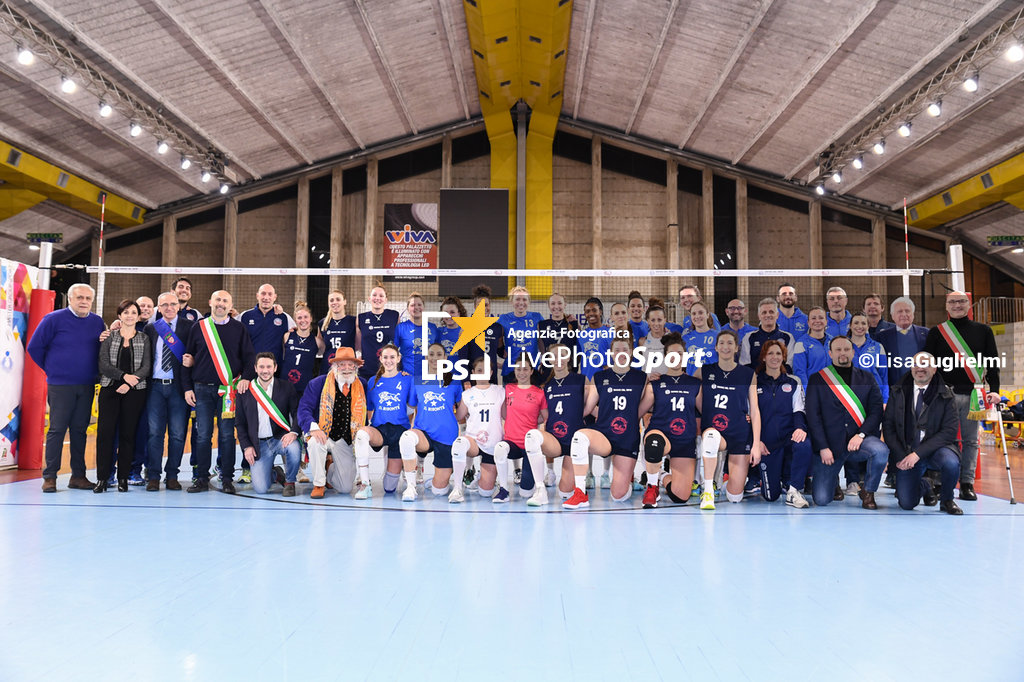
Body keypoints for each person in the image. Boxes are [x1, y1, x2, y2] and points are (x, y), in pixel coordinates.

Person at [27, 282, 106, 493]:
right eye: (80, 297)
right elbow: (34, 347)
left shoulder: (97, 322)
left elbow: (101, 350)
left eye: (88, 298)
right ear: (70, 299)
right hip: (61, 385)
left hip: (87, 384)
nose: (84, 302)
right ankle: (50, 477)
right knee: (57, 430)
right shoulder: (53, 319)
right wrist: (53, 369)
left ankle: (78, 476)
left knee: (80, 431)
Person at [923, 291, 1000, 502]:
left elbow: (992, 363)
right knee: (941, 439)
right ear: (946, 306)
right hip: (944, 395)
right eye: (952, 302)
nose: (957, 305)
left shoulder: (983, 331)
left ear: (969, 305)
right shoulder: (937, 332)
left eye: (961, 301)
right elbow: (928, 365)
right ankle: (939, 482)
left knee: (970, 441)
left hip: (975, 394)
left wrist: (995, 390)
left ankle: (967, 483)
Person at [182, 290, 256, 494]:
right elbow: (187, 359)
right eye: (218, 300)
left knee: (226, 436)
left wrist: (247, 379)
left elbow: (250, 358)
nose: (221, 304)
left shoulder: (239, 328)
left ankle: (226, 479)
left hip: (229, 391)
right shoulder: (199, 327)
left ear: (230, 305)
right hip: (202, 389)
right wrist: (187, 387)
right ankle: (202, 479)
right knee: (203, 435)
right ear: (210, 302)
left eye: (225, 301)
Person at [563, 336, 648, 509]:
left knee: (618, 496)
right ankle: (580, 493)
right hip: (604, 434)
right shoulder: (600, 377)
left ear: (631, 352)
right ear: (610, 353)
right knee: (580, 437)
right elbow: (588, 409)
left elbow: (642, 408)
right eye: (617, 350)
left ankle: (626, 479)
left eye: (625, 349)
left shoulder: (641, 377)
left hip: (628, 437)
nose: (621, 353)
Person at [805, 336, 889, 509]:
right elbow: (813, 416)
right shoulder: (817, 379)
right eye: (838, 350)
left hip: (859, 442)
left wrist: (861, 434)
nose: (842, 353)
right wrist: (822, 447)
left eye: (846, 349)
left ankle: (868, 491)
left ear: (852, 352)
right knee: (821, 499)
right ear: (830, 353)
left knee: (880, 451)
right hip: (829, 447)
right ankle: (833, 480)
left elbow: (876, 411)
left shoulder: (867, 378)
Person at [883, 352, 963, 515]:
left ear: (934, 369)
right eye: (916, 364)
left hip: (936, 450)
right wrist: (900, 455)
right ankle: (926, 485)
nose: (920, 368)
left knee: (951, 463)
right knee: (906, 503)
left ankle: (947, 499)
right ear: (911, 368)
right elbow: (888, 426)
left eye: (925, 364)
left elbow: (949, 431)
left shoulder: (946, 394)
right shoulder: (897, 391)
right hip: (906, 452)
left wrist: (918, 454)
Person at [692, 330, 762, 511]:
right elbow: (687, 388)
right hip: (715, 431)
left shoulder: (748, 374)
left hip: (739, 432)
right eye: (721, 343)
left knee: (735, 497)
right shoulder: (704, 371)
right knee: (710, 437)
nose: (725, 347)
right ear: (715, 347)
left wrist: (755, 444)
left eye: (730, 343)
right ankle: (707, 490)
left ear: (737, 347)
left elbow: (754, 410)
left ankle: (722, 482)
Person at [637, 332, 702, 508]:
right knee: (654, 442)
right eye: (672, 354)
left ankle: (661, 474)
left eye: (680, 354)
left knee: (680, 497)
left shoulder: (695, 384)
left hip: (684, 440)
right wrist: (645, 383)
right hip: (661, 433)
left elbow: (707, 412)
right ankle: (651, 488)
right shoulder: (656, 382)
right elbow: (638, 411)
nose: (676, 357)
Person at [93, 299, 152, 493]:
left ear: (138, 316)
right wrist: (122, 377)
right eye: (125, 312)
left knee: (128, 435)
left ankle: (123, 478)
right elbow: (103, 365)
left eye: (133, 312)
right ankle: (102, 478)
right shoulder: (109, 337)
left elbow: (146, 366)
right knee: (105, 435)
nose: (129, 315)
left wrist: (129, 383)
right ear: (119, 315)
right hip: (110, 390)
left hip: (134, 392)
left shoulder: (143, 338)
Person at [297, 347, 368, 499]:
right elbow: (304, 409)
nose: (347, 368)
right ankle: (319, 484)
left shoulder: (362, 385)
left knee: (345, 488)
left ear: (356, 367)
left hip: (346, 439)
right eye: (342, 364)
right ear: (335, 366)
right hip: (323, 432)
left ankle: (329, 469)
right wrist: (314, 428)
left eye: (351, 365)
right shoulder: (318, 383)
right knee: (315, 443)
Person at [143, 291, 195, 491]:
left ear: (179, 306)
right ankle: (154, 475)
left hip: (178, 388)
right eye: (164, 305)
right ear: (158, 307)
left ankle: (172, 475)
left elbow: (196, 352)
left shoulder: (189, 327)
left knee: (177, 434)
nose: (169, 308)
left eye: (173, 304)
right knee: (155, 433)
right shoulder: (151, 328)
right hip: (155, 387)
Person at [398, 342, 463, 502]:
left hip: (446, 436)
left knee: (439, 491)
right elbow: (412, 404)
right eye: (431, 355)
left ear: (445, 358)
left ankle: (435, 481)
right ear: (426, 358)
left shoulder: (454, 380)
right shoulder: (417, 380)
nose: (435, 358)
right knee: (406, 437)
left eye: (439, 355)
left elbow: (461, 408)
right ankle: (411, 487)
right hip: (424, 433)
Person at [234, 353, 301, 496]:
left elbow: (297, 413)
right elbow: (239, 423)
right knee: (261, 489)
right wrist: (247, 446)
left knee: (294, 449)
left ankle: (289, 482)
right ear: (255, 368)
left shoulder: (286, 387)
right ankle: (276, 474)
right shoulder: (245, 391)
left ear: (275, 368)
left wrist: (294, 432)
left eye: (269, 367)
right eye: (262, 367)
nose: (265, 370)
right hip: (259, 444)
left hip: (280, 439)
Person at [754, 341, 810, 508]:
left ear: (784, 357)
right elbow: (749, 414)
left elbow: (799, 410)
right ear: (764, 357)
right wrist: (757, 442)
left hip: (787, 439)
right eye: (770, 353)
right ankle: (771, 478)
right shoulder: (754, 382)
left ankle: (793, 489)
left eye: (778, 354)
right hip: (766, 444)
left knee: (804, 444)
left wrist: (800, 428)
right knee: (771, 496)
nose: (774, 357)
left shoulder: (793, 382)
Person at [355, 344, 414, 499]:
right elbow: (369, 407)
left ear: (398, 359)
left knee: (389, 488)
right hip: (379, 430)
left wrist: (413, 427)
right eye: (385, 357)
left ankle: (407, 471)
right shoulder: (373, 381)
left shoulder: (407, 379)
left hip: (400, 431)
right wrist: (367, 422)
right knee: (361, 434)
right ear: (380, 359)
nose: (389, 361)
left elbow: (413, 405)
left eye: (392, 357)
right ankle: (365, 484)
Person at [488, 354, 548, 504]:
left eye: (525, 369)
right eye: (518, 369)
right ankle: (503, 489)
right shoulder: (508, 389)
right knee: (500, 448)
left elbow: (545, 416)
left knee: (526, 494)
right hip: (511, 442)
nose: (521, 372)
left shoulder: (539, 393)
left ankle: (531, 484)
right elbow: (503, 413)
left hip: (529, 445)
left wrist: (533, 420)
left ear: (531, 371)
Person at [534, 341, 589, 501]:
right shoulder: (547, 386)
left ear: (568, 358)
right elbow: (541, 415)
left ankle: (580, 480)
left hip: (573, 441)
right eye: (554, 356)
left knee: (565, 493)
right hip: (554, 440)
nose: (558, 359)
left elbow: (591, 407)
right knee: (533, 437)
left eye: (562, 355)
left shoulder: (581, 380)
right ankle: (543, 480)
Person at [451, 356, 505, 503]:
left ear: (492, 373)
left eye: (486, 370)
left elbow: (506, 415)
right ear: (473, 372)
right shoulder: (467, 394)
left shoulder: (500, 391)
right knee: (460, 443)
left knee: (486, 493)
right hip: (473, 440)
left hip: (493, 442)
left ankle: (482, 476)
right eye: (479, 370)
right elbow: (459, 416)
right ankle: (457, 489)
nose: (482, 373)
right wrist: (448, 406)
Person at [875, 296, 928, 387]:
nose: (904, 314)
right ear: (892, 316)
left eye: (907, 311)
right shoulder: (882, 337)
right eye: (899, 311)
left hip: (921, 386)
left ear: (913, 314)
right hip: (895, 389)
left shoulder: (926, 334)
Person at [240, 283, 295, 368]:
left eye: (270, 294)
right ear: (257, 296)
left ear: (275, 297)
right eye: (263, 293)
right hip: (250, 367)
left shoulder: (284, 317)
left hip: (274, 369)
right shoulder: (245, 316)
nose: (266, 297)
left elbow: (298, 333)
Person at [498, 286, 545, 384]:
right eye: (517, 299)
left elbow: (542, 340)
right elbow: (496, 338)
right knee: (511, 399)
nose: (521, 302)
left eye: (524, 299)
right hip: (511, 370)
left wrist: (544, 359)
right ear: (511, 301)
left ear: (528, 302)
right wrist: (501, 350)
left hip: (533, 369)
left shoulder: (537, 317)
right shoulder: (504, 319)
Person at [357, 284, 401, 381]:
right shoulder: (361, 318)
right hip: (367, 369)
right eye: (374, 295)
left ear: (386, 299)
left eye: (381, 296)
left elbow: (398, 341)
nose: (377, 298)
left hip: (389, 368)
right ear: (369, 298)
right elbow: (358, 345)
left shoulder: (394, 315)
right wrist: (358, 357)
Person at [283, 302, 324, 397]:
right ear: (295, 320)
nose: (303, 320)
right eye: (299, 318)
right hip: (285, 386)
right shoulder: (287, 336)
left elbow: (325, 353)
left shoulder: (317, 342)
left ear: (311, 319)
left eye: (306, 317)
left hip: (304, 388)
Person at [738, 298, 795, 368]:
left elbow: (789, 364)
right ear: (759, 316)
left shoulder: (788, 337)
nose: (768, 315)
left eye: (771, 312)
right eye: (764, 312)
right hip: (756, 378)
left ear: (777, 315)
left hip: (781, 378)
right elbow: (745, 364)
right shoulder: (749, 337)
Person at [394, 292, 437, 383]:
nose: (416, 307)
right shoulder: (401, 328)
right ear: (408, 308)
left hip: (429, 377)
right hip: (407, 377)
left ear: (423, 307)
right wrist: (397, 371)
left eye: (419, 305)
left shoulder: (433, 328)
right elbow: (393, 352)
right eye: (413, 305)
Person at [467, 284, 505, 384]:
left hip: (491, 377)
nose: (483, 308)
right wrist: (466, 381)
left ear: (490, 306)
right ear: (475, 306)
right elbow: (464, 357)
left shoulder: (497, 327)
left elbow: (500, 351)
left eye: (486, 305)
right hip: (473, 378)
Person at [791, 306, 832, 388]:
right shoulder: (801, 343)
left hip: (833, 391)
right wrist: (808, 393)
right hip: (813, 391)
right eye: (813, 318)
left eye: (821, 318)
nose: (817, 321)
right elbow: (800, 372)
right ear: (808, 322)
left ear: (826, 321)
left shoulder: (833, 341)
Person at [576, 297, 614, 381]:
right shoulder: (581, 335)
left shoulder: (611, 332)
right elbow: (578, 359)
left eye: (594, 310)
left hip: (606, 380)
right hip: (587, 381)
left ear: (600, 312)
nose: (591, 314)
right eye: (587, 311)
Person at [318, 289, 357, 367]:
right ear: (328, 303)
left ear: (344, 301)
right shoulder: (322, 323)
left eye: (338, 299)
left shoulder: (353, 321)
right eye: (331, 300)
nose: (335, 302)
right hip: (328, 367)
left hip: (347, 368)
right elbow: (320, 348)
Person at [681, 301, 718, 372]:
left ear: (707, 315)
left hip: (712, 380)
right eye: (694, 314)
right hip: (692, 381)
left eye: (700, 313)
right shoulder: (685, 338)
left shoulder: (718, 336)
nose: (697, 316)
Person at [638, 300, 671, 377]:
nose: (656, 323)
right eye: (653, 320)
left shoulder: (672, 340)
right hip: (649, 384)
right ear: (648, 321)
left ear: (665, 320)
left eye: (659, 320)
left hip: (666, 384)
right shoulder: (642, 341)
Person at [436, 296, 468, 362]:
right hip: (443, 372)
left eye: (452, 312)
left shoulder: (466, 332)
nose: (449, 315)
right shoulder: (437, 332)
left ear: (459, 314)